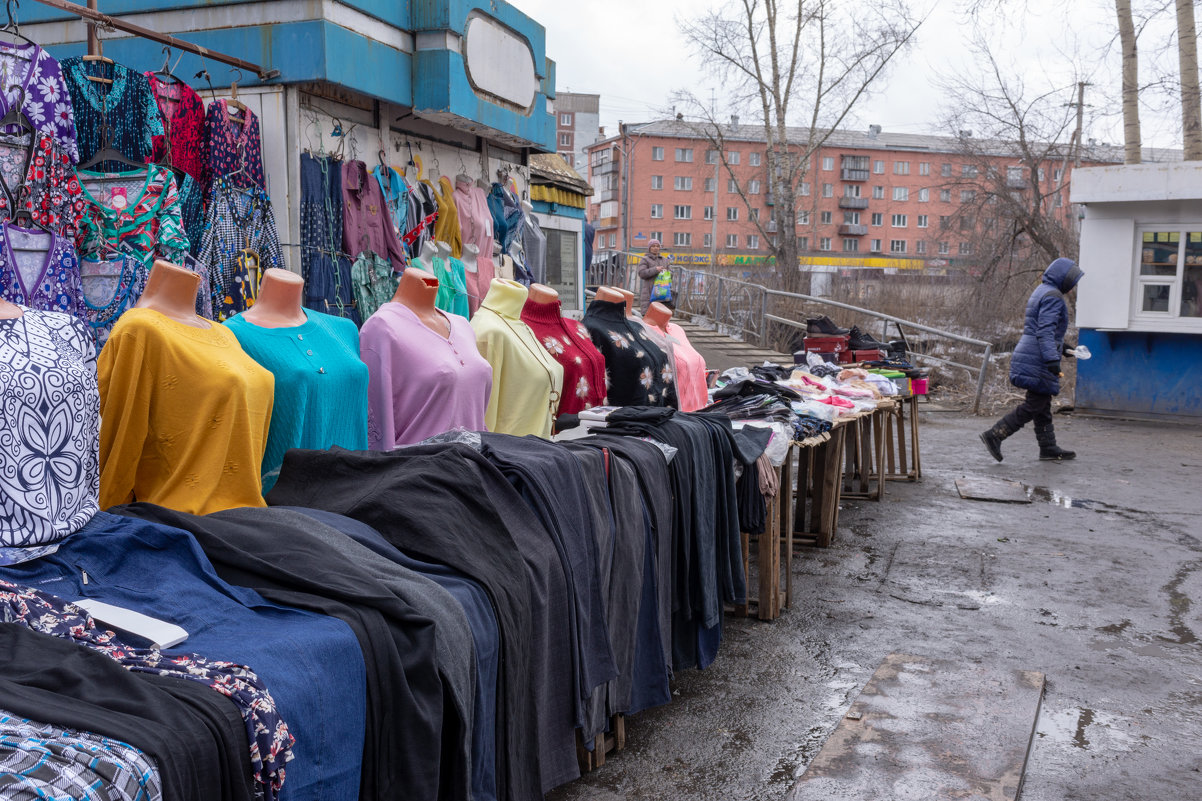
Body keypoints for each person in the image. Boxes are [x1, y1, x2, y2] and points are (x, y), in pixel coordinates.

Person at [981, 257, 1084, 462]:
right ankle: (995, 435)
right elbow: (1045, 331)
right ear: (1063, 279)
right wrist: (1052, 359)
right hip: (1038, 357)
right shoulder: (1053, 296)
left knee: (1042, 402)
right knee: (1035, 404)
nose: (1071, 288)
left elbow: (1040, 328)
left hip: (1032, 352)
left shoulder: (1042, 291)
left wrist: (1062, 348)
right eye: (1071, 283)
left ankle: (1048, 447)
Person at [636, 239, 672, 312]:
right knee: (648, 317)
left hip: (663, 293)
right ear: (649, 248)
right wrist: (655, 270)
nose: (656, 248)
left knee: (661, 317)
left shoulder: (664, 260)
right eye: (653, 246)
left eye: (657, 246)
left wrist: (667, 273)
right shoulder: (645, 259)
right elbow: (642, 273)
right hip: (649, 293)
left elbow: (671, 274)